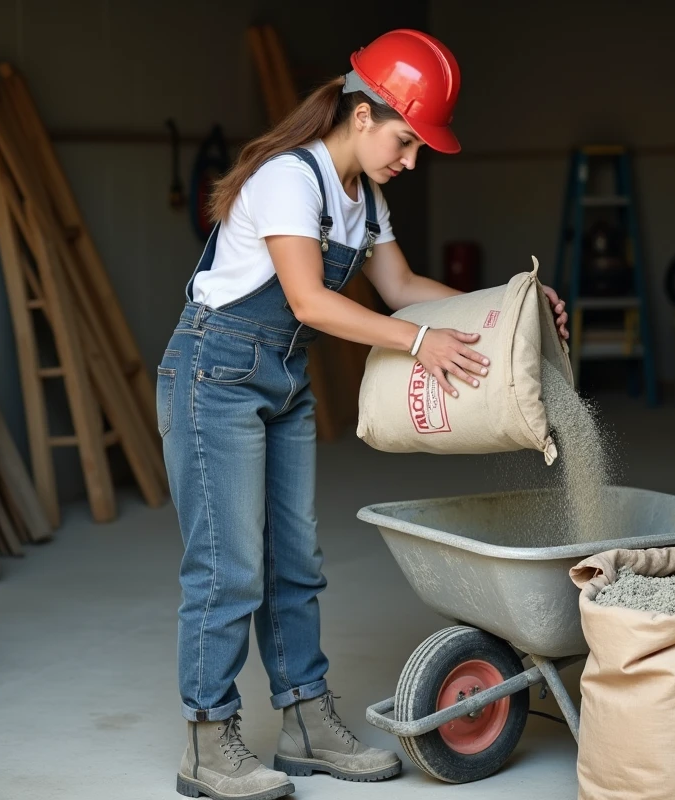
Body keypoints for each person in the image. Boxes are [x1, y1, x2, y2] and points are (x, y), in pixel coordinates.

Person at [158, 29, 569, 800]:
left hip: (279, 375)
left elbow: (404, 286)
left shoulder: (365, 199)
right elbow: (314, 302)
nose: (410, 162)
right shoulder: (289, 179)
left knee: (297, 562)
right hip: (214, 373)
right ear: (361, 113)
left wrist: (517, 306)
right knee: (229, 567)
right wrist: (420, 346)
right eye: (406, 140)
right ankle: (208, 742)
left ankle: (306, 722)